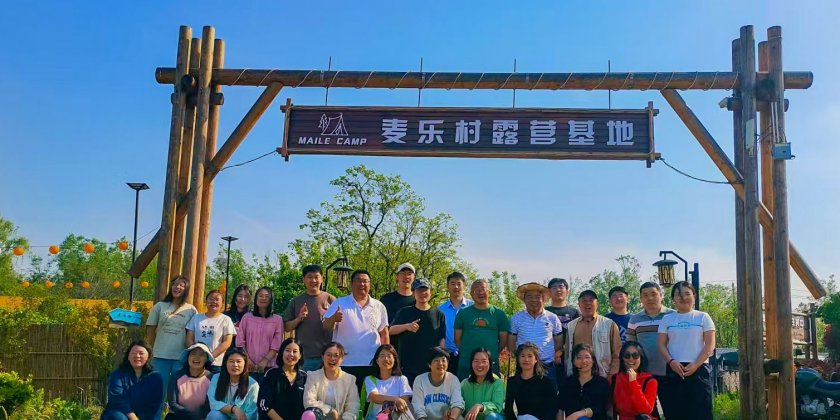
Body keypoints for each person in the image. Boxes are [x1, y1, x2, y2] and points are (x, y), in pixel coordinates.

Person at [323, 269, 389, 392]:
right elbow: (325, 326)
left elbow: (384, 334)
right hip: (345, 363)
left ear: (370, 284)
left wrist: (385, 358)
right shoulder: (340, 303)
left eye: (365, 281)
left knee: (369, 399)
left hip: (372, 363)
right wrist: (333, 318)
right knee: (345, 399)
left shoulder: (379, 306)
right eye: (358, 280)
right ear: (352, 283)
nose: (362, 284)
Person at [657, 281, 715, 420]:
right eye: (678, 294)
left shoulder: (703, 317)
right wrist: (671, 362)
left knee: (701, 412)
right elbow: (661, 345)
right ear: (673, 298)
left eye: (687, 294)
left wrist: (696, 364)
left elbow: (710, 345)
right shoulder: (667, 319)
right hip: (674, 369)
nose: (683, 297)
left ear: (694, 296)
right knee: (676, 412)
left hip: (699, 369)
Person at [146, 275, 196, 411]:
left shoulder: (191, 310)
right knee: (157, 394)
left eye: (181, 285)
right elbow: (150, 330)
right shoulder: (160, 306)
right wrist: (151, 350)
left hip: (181, 358)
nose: (177, 287)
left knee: (179, 396)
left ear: (186, 289)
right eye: (174, 284)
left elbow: (193, 334)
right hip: (160, 356)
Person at [627, 282, 675, 416]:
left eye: (654, 294)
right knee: (648, 412)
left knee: (673, 410)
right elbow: (631, 346)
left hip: (670, 371)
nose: (650, 298)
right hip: (645, 373)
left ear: (661, 295)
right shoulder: (634, 319)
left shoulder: (673, 316)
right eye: (645, 295)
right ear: (641, 299)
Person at [391, 278, 446, 384]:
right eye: (419, 290)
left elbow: (441, 338)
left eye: (425, 290)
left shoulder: (438, 314)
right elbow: (390, 330)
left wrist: (441, 358)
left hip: (431, 367)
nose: (423, 293)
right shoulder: (404, 312)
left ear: (430, 292)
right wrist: (406, 326)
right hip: (408, 367)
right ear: (413, 293)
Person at [507, 282, 562, 387]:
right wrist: (521, 358)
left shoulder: (552, 318)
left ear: (543, 299)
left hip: (547, 366)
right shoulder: (516, 318)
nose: (533, 300)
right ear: (524, 300)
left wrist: (549, 355)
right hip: (524, 366)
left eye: (537, 297)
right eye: (529, 297)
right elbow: (511, 343)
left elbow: (559, 341)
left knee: (549, 395)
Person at [283, 264, 336, 372]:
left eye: (316, 277)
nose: (313, 280)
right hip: (304, 357)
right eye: (309, 277)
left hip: (327, 356)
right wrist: (299, 318)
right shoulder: (296, 301)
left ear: (322, 278)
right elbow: (287, 327)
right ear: (304, 279)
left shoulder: (331, 299)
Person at [454, 279, 509, 379]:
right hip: (467, 364)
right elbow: (457, 340)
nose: (480, 293)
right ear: (471, 294)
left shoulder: (499, 314)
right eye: (476, 290)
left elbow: (503, 341)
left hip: (491, 364)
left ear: (489, 292)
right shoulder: (463, 313)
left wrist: (492, 353)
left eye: (483, 289)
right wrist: (467, 352)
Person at [563, 290, 621, 378]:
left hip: (603, 374)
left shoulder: (609, 324)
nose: (588, 303)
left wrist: (612, 374)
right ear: (579, 304)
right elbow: (567, 353)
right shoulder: (571, 326)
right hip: (577, 375)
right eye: (584, 300)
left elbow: (617, 352)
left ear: (597, 304)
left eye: (591, 300)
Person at [101, 340, 164, 420]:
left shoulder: (155, 377)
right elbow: (117, 400)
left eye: (141, 353)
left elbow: (155, 403)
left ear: (148, 356)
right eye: (133, 353)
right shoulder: (117, 375)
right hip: (119, 414)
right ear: (128, 356)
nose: (137, 356)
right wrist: (133, 418)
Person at [302, 342, 360, 420]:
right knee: (309, 414)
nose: (332, 358)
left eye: (336, 355)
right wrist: (331, 411)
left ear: (342, 358)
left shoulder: (350, 379)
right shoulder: (313, 376)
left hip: (341, 419)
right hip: (319, 418)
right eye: (329, 355)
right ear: (322, 357)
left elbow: (353, 405)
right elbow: (309, 401)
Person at [236, 287, 284, 381]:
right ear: (256, 298)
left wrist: (265, 361)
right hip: (248, 366)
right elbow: (240, 341)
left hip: (269, 367)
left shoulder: (277, 320)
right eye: (260, 296)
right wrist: (248, 360)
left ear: (271, 300)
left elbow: (276, 345)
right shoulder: (247, 317)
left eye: (267, 296)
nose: (263, 298)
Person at [503, 342, 557, 420]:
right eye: (523, 356)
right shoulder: (512, 382)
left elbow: (552, 409)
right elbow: (508, 409)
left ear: (536, 359)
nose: (526, 359)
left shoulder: (546, 382)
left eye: (530, 356)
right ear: (518, 359)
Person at [257, 338, 307, 420]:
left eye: (295, 351)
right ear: (281, 353)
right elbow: (264, 404)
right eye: (287, 350)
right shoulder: (271, 374)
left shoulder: (304, 377)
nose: (291, 354)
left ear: (300, 355)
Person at [186, 290, 236, 372]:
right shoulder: (196, 318)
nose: (214, 302)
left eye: (217, 299)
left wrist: (210, 357)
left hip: (216, 364)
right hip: (197, 362)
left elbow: (227, 342)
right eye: (211, 299)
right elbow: (189, 338)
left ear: (222, 303)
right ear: (206, 301)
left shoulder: (226, 320)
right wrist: (197, 356)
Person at [558, 344, 610, 420]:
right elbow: (560, 407)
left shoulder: (602, 383)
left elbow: (599, 408)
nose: (583, 361)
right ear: (573, 361)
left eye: (587, 357)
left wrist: (578, 414)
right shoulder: (567, 383)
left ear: (593, 360)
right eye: (579, 358)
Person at [361, 344, 412, 420]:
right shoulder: (370, 379)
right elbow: (375, 397)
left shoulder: (402, 379)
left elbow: (404, 401)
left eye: (389, 356)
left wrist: (391, 410)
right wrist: (396, 399)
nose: (386, 359)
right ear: (377, 360)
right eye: (382, 356)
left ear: (394, 360)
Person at [412, 347, 465, 420]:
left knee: (459, 418)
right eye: (436, 360)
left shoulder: (453, 379)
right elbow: (418, 407)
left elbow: (458, 402)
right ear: (429, 364)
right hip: (426, 418)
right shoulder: (420, 380)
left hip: (446, 418)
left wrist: (452, 418)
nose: (440, 363)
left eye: (443, 360)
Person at [207, 348, 260, 420]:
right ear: (225, 363)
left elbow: (251, 413)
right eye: (231, 361)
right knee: (214, 415)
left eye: (238, 361)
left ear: (245, 364)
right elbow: (213, 402)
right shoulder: (216, 378)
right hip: (222, 416)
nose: (235, 365)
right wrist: (233, 409)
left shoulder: (253, 385)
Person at [612, 342, 660, 420]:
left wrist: (633, 382)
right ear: (622, 358)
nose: (631, 359)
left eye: (635, 355)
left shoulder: (650, 381)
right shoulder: (615, 379)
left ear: (641, 358)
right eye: (627, 355)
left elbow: (645, 410)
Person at [544, 277, 579, 385]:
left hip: (569, 356)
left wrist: (561, 351)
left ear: (567, 291)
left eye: (561, 287)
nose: (558, 290)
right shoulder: (544, 312)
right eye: (554, 287)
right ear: (549, 292)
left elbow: (577, 335)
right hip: (547, 357)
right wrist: (554, 353)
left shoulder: (575, 313)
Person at [166, 343, 214, 420]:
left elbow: (209, 405)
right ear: (187, 357)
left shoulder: (212, 378)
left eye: (201, 355)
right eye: (193, 354)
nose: (197, 357)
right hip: (180, 416)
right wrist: (189, 415)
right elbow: (172, 403)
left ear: (206, 359)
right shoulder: (177, 376)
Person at [438, 272, 473, 374]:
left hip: (469, 354)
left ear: (464, 286)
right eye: (452, 284)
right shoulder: (440, 309)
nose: (456, 287)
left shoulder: (473, 307)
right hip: (448, 355)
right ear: (448, 286)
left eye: (459, 284)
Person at [460, 348, 504, 420]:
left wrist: (480, 406)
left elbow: (497, 406)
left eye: (484, 361)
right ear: (471, 364)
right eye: (476, 361)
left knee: (492, 417)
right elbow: (457, 403)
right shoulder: (465, 384)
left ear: (490, 364)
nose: (480, 365)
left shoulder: (497, 382)